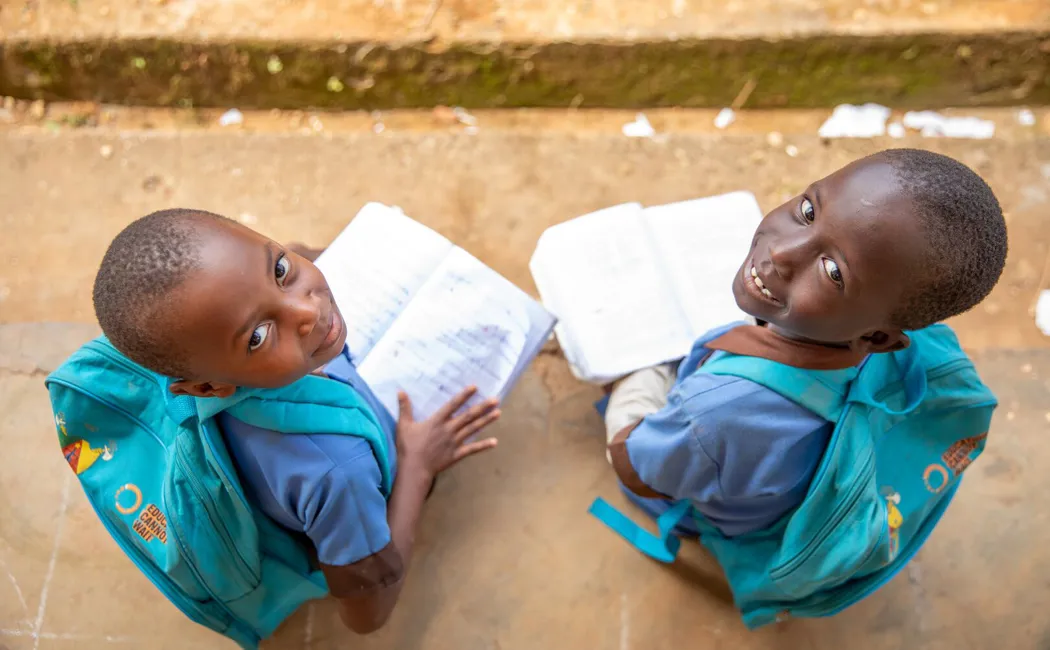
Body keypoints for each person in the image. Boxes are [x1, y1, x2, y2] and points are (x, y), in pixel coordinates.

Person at [91, 209, 502, 634]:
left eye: (281, 269)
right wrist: (417, 464)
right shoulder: (338, 471)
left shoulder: (199, 341)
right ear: (208, 389)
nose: (307, 311)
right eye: (257, 336)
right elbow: (367, 615)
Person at [602, 148, 1008, 540]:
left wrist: (634, 387)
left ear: (877, 337)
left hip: (736, 512)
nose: (780, 251)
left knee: (629, 378)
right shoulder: (905, 335)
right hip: (792, 477)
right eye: (808, 211)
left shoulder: (716, 409)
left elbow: (637, 465)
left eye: (833, 272)